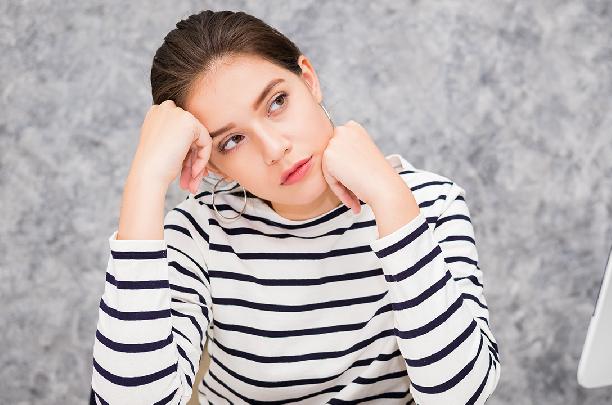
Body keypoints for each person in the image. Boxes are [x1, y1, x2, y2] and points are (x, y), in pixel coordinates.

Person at [89, 9, 501, 405]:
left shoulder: (429, 203)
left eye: (277, 102)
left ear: (309, 79)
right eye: (232, 141)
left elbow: (460, 397)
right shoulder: (199, 235)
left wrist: (391, 201)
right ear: (212, 165)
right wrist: (144, 182)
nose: (274, 148)